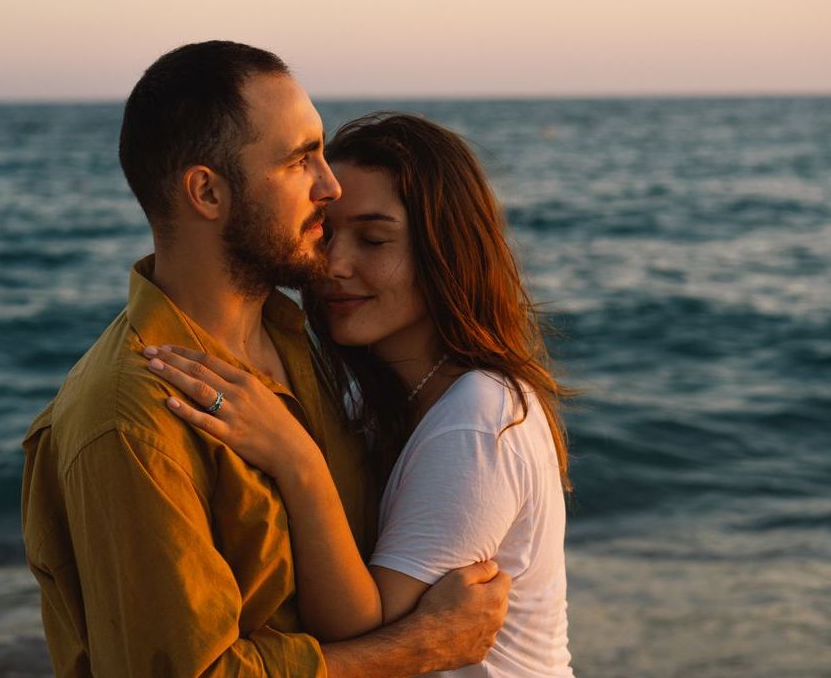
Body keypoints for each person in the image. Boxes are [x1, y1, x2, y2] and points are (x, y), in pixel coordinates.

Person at [21, 42, 510, 678]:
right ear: (207, 192)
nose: (329, 187)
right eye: (300, 160)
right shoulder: (131, 419)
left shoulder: (301, 342)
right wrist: (418, 647)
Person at [144, 113, 578, 676]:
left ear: (445, 252)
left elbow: (362, 633)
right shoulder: (377, 403)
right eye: (325, 234)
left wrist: (296, 460)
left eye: (373, 239)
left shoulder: (480, 416)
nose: (334, 266)